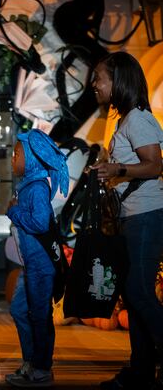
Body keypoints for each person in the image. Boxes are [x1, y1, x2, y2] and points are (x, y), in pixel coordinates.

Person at [91, 51, 163, 390]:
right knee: (135, 296)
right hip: (132, 216)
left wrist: (118, 169)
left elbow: (154, 165)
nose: (94, 84)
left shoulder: (138, 118)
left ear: (118, 81)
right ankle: (141, 372)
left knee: (138, 291)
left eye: (99, 78)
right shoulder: (124, 121)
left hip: (147, 214)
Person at [6, 129, 69, 388]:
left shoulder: (37, 188)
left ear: (31, 157)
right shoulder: (29, 186)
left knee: (40, 315)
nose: (12, 158)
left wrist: (14, 212)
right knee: (20, 309)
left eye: (16, 153)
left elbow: (40, 223)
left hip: (41, 266)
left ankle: (41, 369)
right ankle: (31, 362)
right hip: (31, 265)